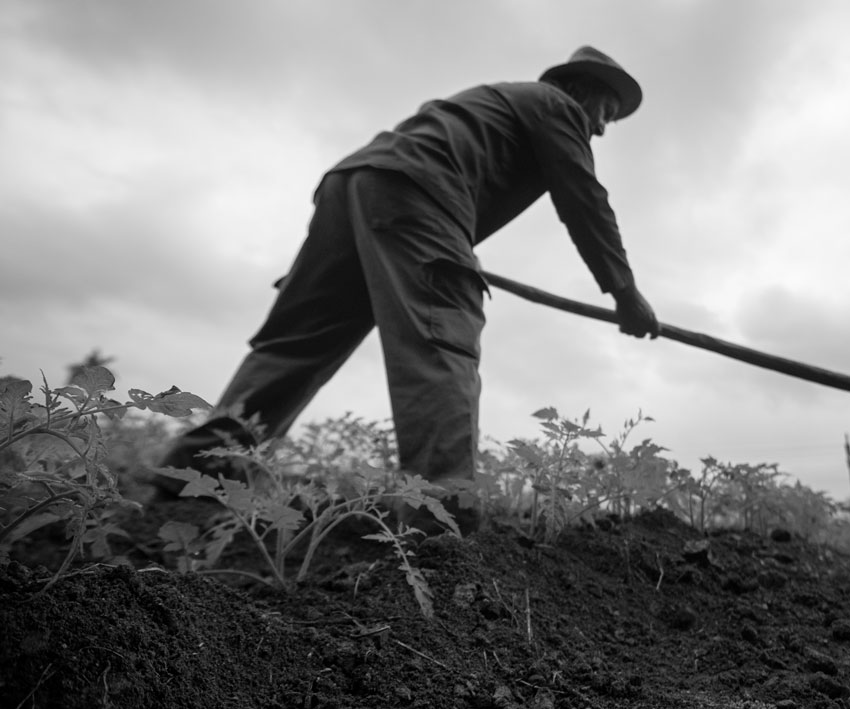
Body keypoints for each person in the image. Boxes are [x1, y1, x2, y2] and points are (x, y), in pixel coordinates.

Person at [151, 46, 660, 513]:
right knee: (440, 335)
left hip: (355, 185)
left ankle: (196, 474)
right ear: (581, 93)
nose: (601, 129)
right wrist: (625, 292)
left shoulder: (502, 103)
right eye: (605, 114)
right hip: (415, 190)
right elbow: (583, 198)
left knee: (298, 343)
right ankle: (440, 512)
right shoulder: (556, 105)